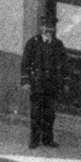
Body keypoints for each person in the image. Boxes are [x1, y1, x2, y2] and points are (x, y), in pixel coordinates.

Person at [20, 19, 68, 149]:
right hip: (37, 84)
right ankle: (34, 140)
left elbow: (64, 64)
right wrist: (25, 80)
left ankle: (48, 139)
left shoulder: (58, 45)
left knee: (50, 113)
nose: (48, 31)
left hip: (51, 85)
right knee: (36, 113)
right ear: (41, 28)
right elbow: (25, 63)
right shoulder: (32, 43)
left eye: (51, 28)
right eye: (46, 27)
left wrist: (63, 82)